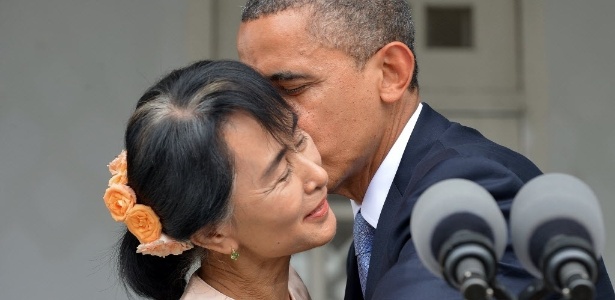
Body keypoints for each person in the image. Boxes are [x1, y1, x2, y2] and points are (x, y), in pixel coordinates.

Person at [236, 0, 615, 299]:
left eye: (290, 89)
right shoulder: (377, 211)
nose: (267, 120)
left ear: (391, 73)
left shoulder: (471, 188)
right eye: (255, 98)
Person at [102, 60, 336, 300]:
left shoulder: (289, 285)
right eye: (281, 176)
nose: (319, 176)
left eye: (299, 141)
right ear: (213, 234)